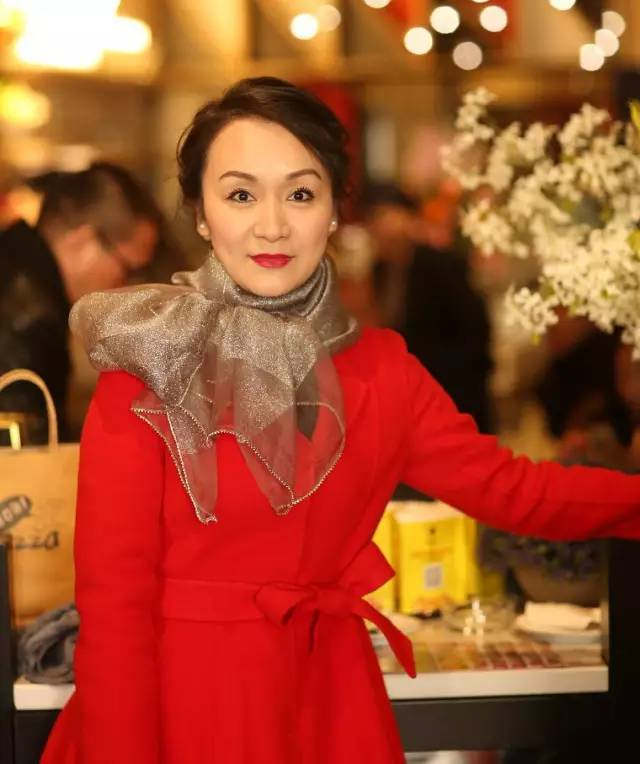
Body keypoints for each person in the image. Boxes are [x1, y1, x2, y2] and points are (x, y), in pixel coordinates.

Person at [41, 77, 640, 764]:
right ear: (201, 214)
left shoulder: (383, 371)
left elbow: (513, 489)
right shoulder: (149, 360)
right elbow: (113, 610)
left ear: (333, 211)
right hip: (186, 713)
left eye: (300, 194)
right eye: (240, 195)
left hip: (328, 704)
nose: (272, 224)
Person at [0, 162, 161, 443]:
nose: (127, 287)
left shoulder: (18, 270)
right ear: (82, 241)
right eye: (127, 269)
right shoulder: (28, 317)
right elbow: (24, 447)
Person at [362, 182, 494, 434]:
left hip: (452, 393)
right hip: (410, 398)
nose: (381, 228)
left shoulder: (439, 264)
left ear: (408, 220)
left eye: (387, 217)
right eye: (374, 220)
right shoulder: (380, 269)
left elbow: (476, 330)